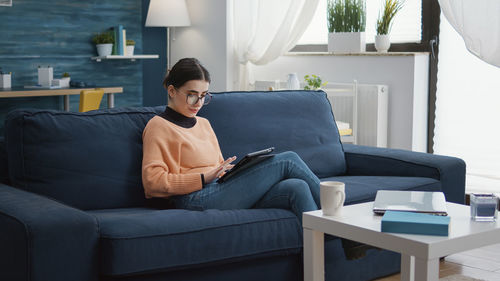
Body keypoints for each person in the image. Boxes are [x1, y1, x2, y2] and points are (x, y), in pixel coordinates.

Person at [142, 58, 373, 259]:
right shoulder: (158, 126)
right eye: (192, 96)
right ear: (172, 91)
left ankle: (315, 265)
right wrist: (203, 177)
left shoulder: (204, 124)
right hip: (193, 198)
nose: (199, 104)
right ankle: (348, 230)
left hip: (220, 189)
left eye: (203, 96)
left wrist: (230, 170)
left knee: (297, 187)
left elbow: (217, 167)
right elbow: (152, 182)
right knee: (288, 160)